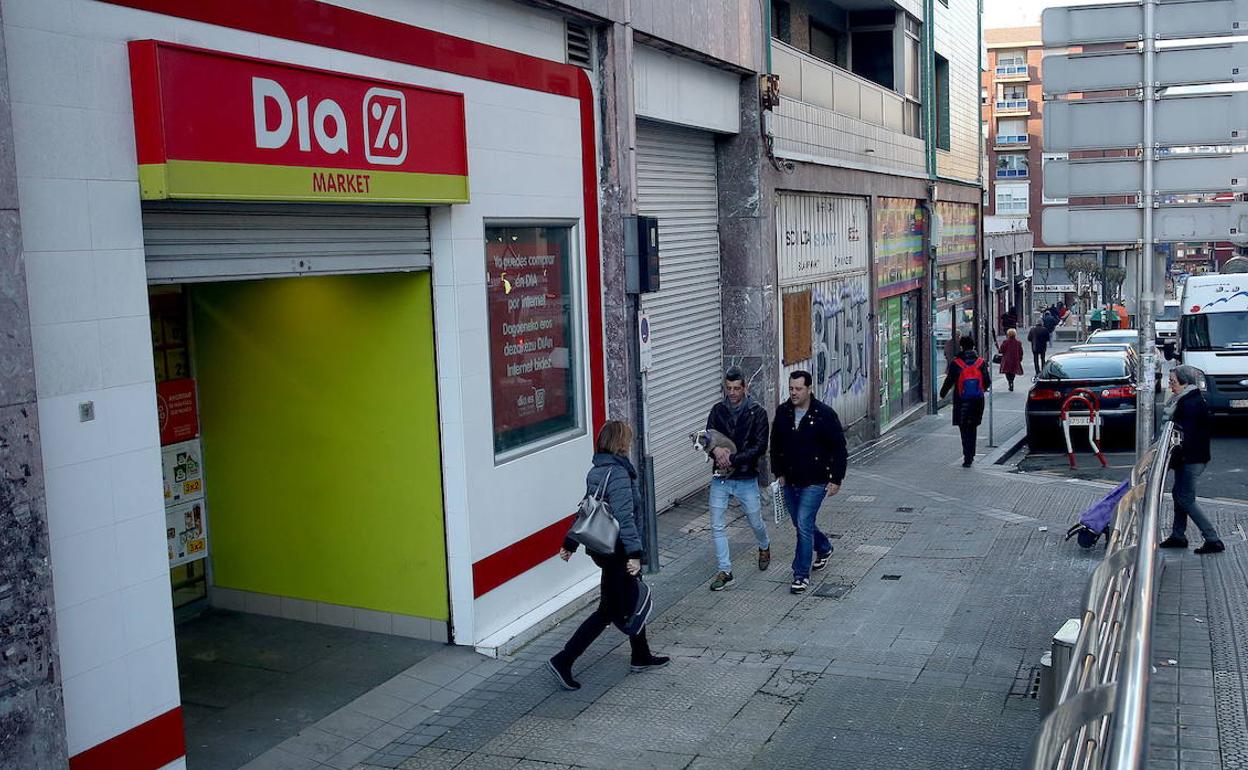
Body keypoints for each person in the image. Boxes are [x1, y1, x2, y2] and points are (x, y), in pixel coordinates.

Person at [549, 421, 669, 690]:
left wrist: (570, 542)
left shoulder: (597, 470)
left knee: (630, 602)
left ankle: (640, 655)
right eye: (627, 439)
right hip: (619, 552)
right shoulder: (618, 474)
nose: (629, 444)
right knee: (610, 610)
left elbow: (586, 509)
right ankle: (564, 659)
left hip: (605, 551)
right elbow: (624, 518)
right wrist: (635, 555)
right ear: (620, 443)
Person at [770, 371, 848, 595]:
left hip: (816, 479)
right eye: (791, 388)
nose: (794, 393)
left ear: (809, 389)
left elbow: (839, 448)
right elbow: (775, 445)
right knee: (799, 522)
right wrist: (779, 472)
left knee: (803, 523)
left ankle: (800, 575)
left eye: (798, 389)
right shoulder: (784, 413)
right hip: (791, 479)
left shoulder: (824, 415)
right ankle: (824, 547)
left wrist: (836, 478)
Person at [704, 367, 772, 591]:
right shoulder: (717, 410)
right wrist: (715, 452)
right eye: (729, 388)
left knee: (754, 520)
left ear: (745, 387)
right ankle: (725, 570)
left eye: (736, 388)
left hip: (745, 476)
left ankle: (764, 545)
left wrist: (731, 458)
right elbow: (708, 437)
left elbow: (759, 447)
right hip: (720, 477)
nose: (732, 392)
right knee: (716, 524)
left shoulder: (757, 413)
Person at [1159, 366, 1225, 555]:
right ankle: (1178, 535)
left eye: (1172, 381)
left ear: (1184, 382)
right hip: (1189, 458)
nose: (1170, 386)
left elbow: (1184, 435)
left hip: (1191, 458)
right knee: (1178, 495)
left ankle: (1213, 539)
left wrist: (1170, 458)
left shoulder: (1188, 403)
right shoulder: (1188, 398)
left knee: (1186, 499)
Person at [940, 336, 992, 467]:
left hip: (961, 400)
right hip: (977, 400)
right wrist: (980, 388)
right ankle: (971, 454)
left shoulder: (956, 363)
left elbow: (949, 380)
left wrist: (942, 393)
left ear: (961, 347)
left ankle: (967, 456)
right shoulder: (980, 362)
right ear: (974, 346)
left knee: (964, 429)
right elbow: (987, 381)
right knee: (973, 427)